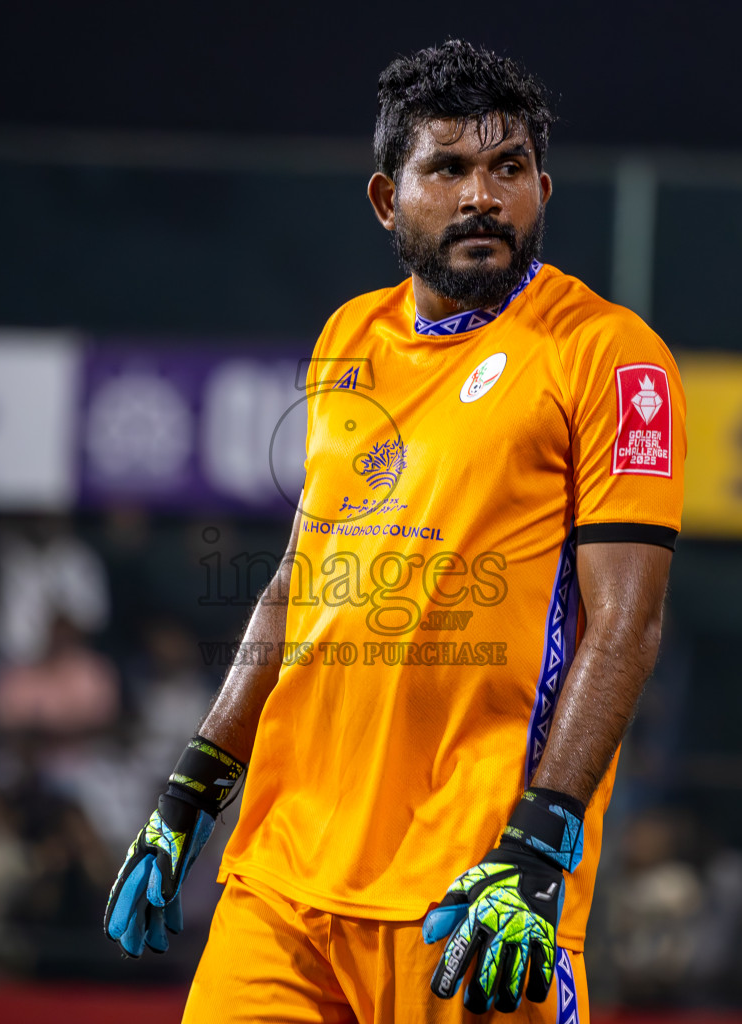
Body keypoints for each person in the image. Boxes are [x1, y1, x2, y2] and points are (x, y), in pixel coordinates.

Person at [104, 39, 685, 1022]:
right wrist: (192, 783)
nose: (481, 197)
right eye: (447, 168)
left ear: (541, 189)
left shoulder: (611, 356)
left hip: (474, 888)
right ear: (387, 197)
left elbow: (627, 623)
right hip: (284, 878)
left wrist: (541, 839)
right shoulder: (346, 337)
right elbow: (299, 581)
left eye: (507, 169)